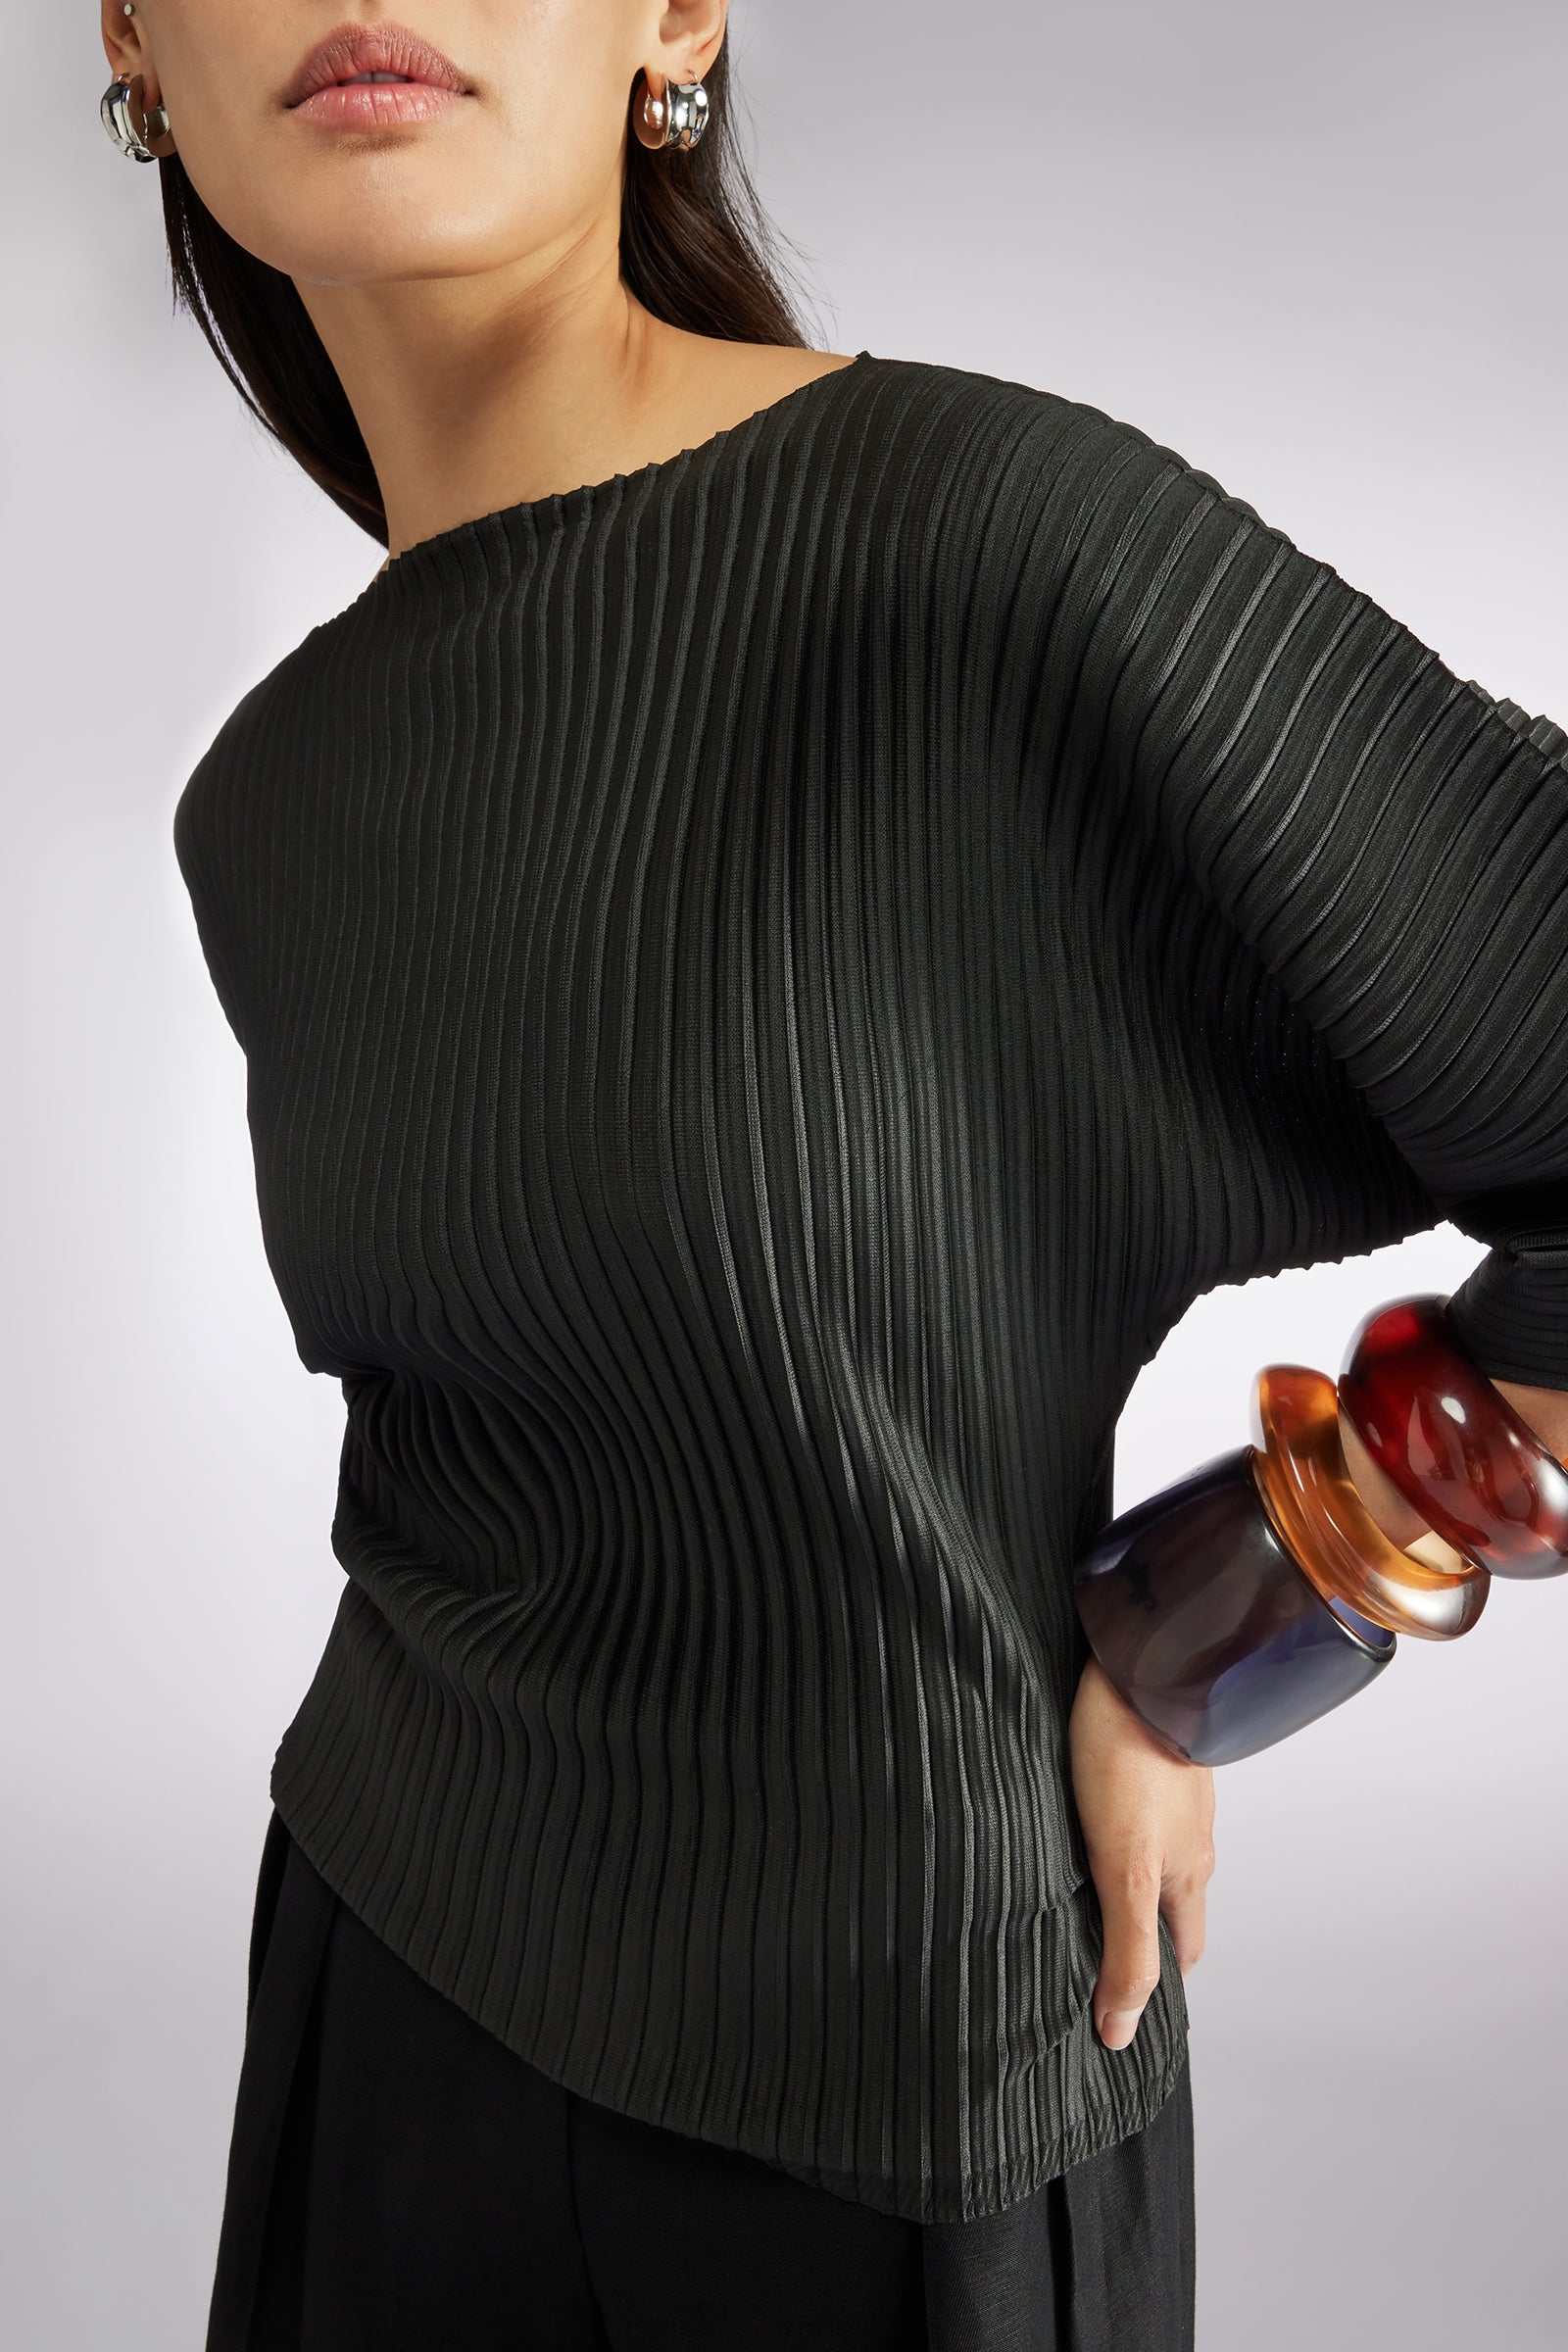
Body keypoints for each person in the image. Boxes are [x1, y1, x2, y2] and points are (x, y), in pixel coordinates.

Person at [99, 4, 1568, 2347]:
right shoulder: (271, 799)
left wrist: (1235, 1609)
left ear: (671, 17)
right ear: (138, 44)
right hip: (386, 2007)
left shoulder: (983, 548)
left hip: (898, 2107)